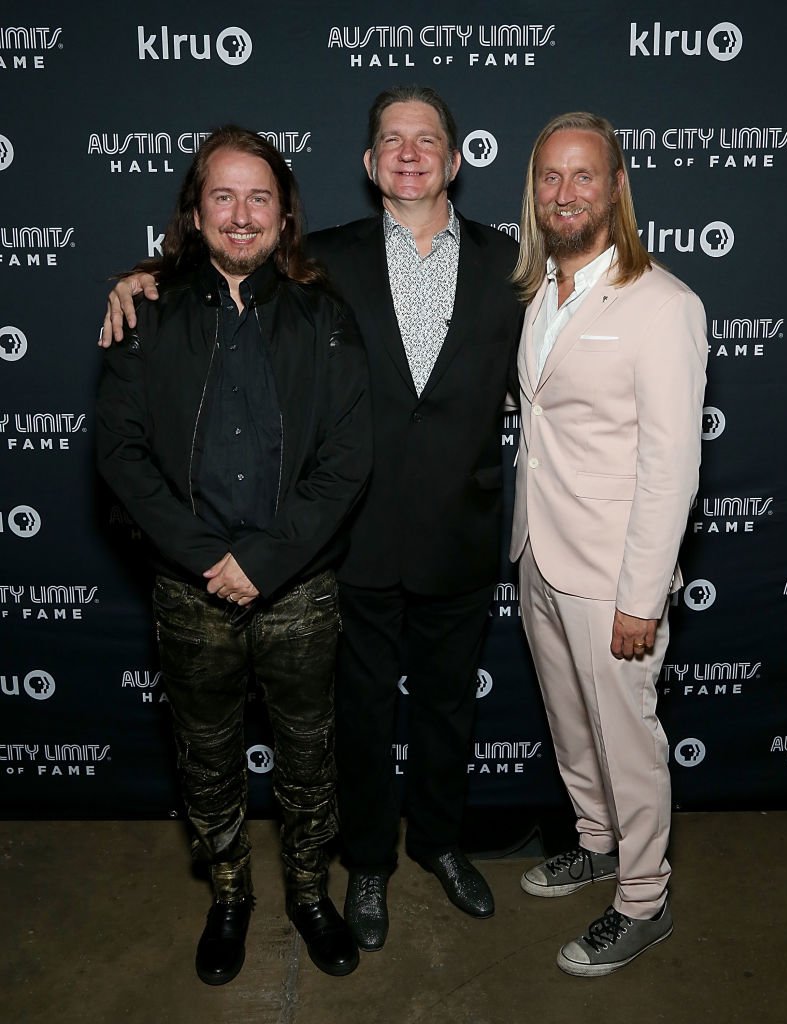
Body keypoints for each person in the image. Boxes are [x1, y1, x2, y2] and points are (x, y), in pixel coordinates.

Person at [100, 86, 523, 954]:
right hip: (354, 541)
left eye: (427, 139)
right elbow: (214, 267)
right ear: (368, 166)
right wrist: (137, 277)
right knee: (356, 718)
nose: (408, 153)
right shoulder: (320, 261)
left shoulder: (509, 262)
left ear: (454, 158)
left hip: (460, 530)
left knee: (448, 710)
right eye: (390, 141)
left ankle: (439, 844)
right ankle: (364, 863)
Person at [96, 126, 371, 982]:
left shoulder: (325, 316)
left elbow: (348, 457)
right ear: (195, 209)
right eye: (223, 195)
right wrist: (204, 556)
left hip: (298, 590)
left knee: (307, 753)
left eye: (259, 197)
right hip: (190, 592)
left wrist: (268, 559)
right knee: (207, 756)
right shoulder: (146, 312)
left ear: (285, 214)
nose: (241, 214)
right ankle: (227, 896)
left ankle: (308, 894)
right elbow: (121, 453)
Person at [509, 112, 707, 977]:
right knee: (571, 727)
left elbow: (670, 467)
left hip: (611, 572)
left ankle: (642, 897)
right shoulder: (538, 289)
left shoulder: (662, 304)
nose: (565, 193)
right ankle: (596, 844)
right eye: (550, 177)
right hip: (538, 553)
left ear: (617, 185)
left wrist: (641, 592)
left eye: (583, 175)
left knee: (627, 738)